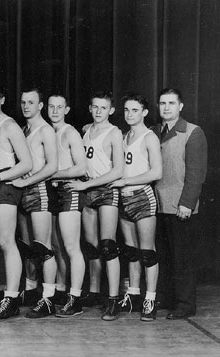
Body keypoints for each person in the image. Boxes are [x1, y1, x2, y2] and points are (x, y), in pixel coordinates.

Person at [66, 91, 124, 321]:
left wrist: (87, 185)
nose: (99, 111)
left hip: (107, 189)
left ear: (111, 110)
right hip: (87, 191)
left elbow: (118, 170)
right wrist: (84, 185)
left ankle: (113, 299)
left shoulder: (114, 132)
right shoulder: (85, 130)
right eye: (95, 107)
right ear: (90, 108)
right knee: (91, 247)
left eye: (104, 108)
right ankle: (94, 292)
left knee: (108, 245)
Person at [152, 88, 207, 320]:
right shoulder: (153, 132)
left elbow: (196, 174)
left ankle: (185, 304)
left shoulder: (192, 132)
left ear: (180, 106)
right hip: (157, 205)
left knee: (182, 257)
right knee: (163, 255)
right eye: (162, 103)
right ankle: (167, 297)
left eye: (171, 103)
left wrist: (187, 203)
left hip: (180, 206)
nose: (166, 108)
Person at [0, 83, 32, 321]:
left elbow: (26, 163)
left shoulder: (9, 125)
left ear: (2, 99)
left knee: (6, 241)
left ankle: (11, 299)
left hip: (4, 184)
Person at [109, 93, 162, 321]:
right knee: (131, 251)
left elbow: (156, 172)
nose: (130, 115)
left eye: (135, 110)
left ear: (145, 112)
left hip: (142, 196)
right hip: (123, 199)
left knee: (147, 252)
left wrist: (126, 181)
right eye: (127, 110)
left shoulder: (149, 137)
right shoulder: (123, 136)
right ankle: (133, 294)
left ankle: (150, 299)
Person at [11, 87, 58, 319]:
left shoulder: (45, 130)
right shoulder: (23, 129)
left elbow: (52, 167)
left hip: (39, 190)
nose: (26, 106)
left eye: (31, 102)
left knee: (43, 247)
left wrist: (28, 180)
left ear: (40, 105)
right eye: (23, 102)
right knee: (28, 246)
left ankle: (48, 298)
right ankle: (30, 291)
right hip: (22, 191)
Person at [47, 94, 87, 317]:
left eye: (59, 107)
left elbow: (81, 168)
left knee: (72, 247)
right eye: (51, 106)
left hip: (67, 191)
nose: (54, 111)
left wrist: (54, 173)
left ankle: (76, 298)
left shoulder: (70, 132)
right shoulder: (45, 130)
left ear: (66, 109)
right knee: (56, 246)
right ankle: (61, 291)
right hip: (50, 191)